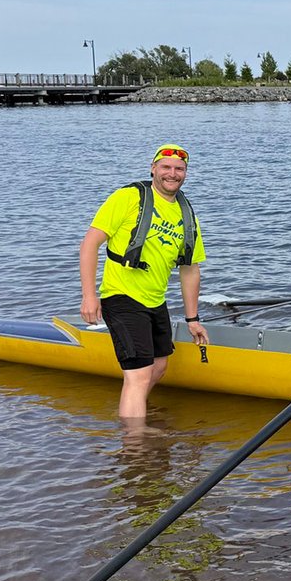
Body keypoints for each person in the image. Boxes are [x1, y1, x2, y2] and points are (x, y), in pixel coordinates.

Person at [80, 143, 210, 418]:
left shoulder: (186, 213)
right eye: (165, 167)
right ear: (153, 169)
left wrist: (192, 319)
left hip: (155, 300)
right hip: (121, 295)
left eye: (179, 169)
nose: (172, 174)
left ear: (186, 173)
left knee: (159, 367)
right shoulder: (128, 198)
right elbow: (90, 244)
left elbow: (190, 269)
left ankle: (131, 413)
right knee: (138, 376)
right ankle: (136, 446)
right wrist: (89, 296)